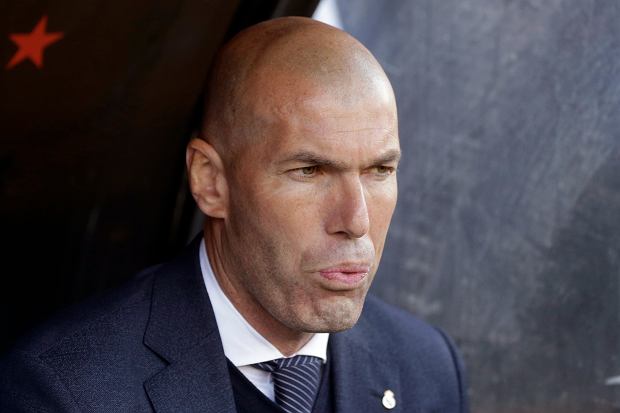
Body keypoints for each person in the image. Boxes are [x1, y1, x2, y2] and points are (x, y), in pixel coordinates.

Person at [0, 17, 468, 413]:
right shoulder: (66, 391)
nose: (357, 220)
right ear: (210, 181)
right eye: (309, 171)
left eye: (380, 170)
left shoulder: (427, 367)